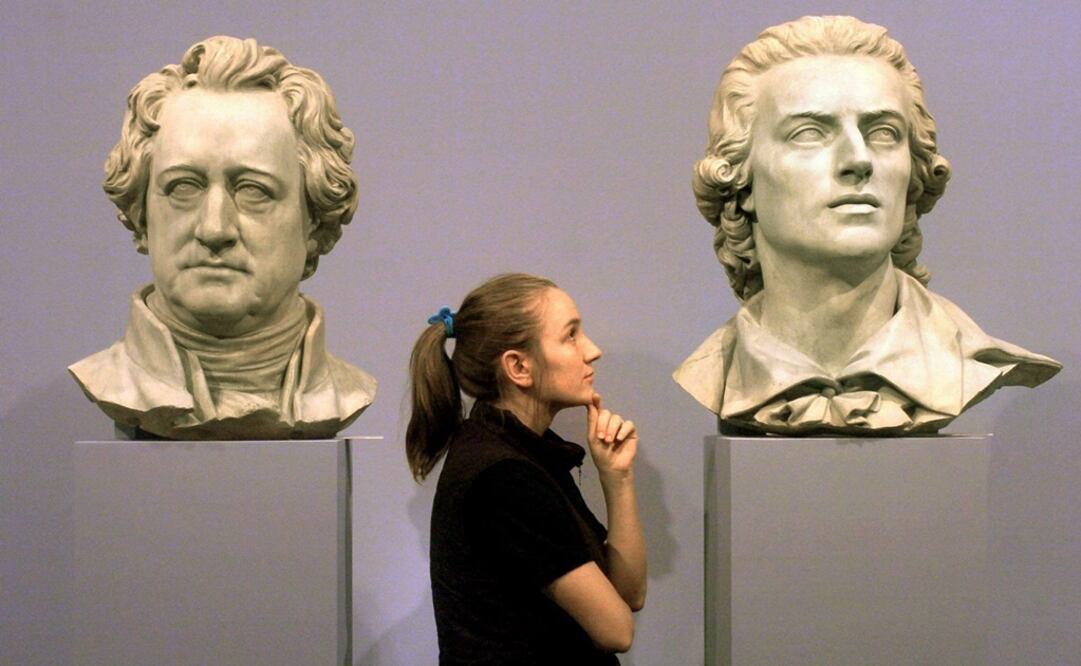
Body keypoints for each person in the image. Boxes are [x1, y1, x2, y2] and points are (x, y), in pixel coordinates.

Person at [674, 15, 1060, 434]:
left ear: (915, 170)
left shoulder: (970, 365)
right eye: (808, 132)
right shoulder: (718, 373)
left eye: (883, 132)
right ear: (739, 178)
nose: (858, 159)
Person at [68, 35, 375, 439]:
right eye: (183, 187)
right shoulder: (111, 382)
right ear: (141, 214)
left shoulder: (345, 393)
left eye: (254, 190)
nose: (215, 229)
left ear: (315, 222)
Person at [408, 273, 646, 664]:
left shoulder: (522, 453)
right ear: (518, 367)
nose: (593, 350)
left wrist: (617, 478)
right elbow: (616, 631)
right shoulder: (502, 476)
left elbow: (630, 595)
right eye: (571, 335)